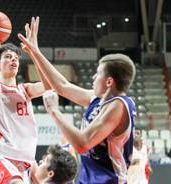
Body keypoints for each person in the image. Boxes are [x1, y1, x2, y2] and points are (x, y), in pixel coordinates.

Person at [18, 16, 136, 184]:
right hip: (89, 179)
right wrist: (35, 52)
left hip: (109, 181)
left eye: (98, 73)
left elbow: (82, 144)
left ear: (109, 82)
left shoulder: (119, 105)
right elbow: (62, 86)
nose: (94, 77)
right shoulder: (98, 99)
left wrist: (54, 111)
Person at [0, 34, 49, 184]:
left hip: (24, 159)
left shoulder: (25, 90)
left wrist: (34, 53)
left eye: (16, 57)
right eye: (8, 57)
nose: (13, 59)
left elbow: (49, 85)